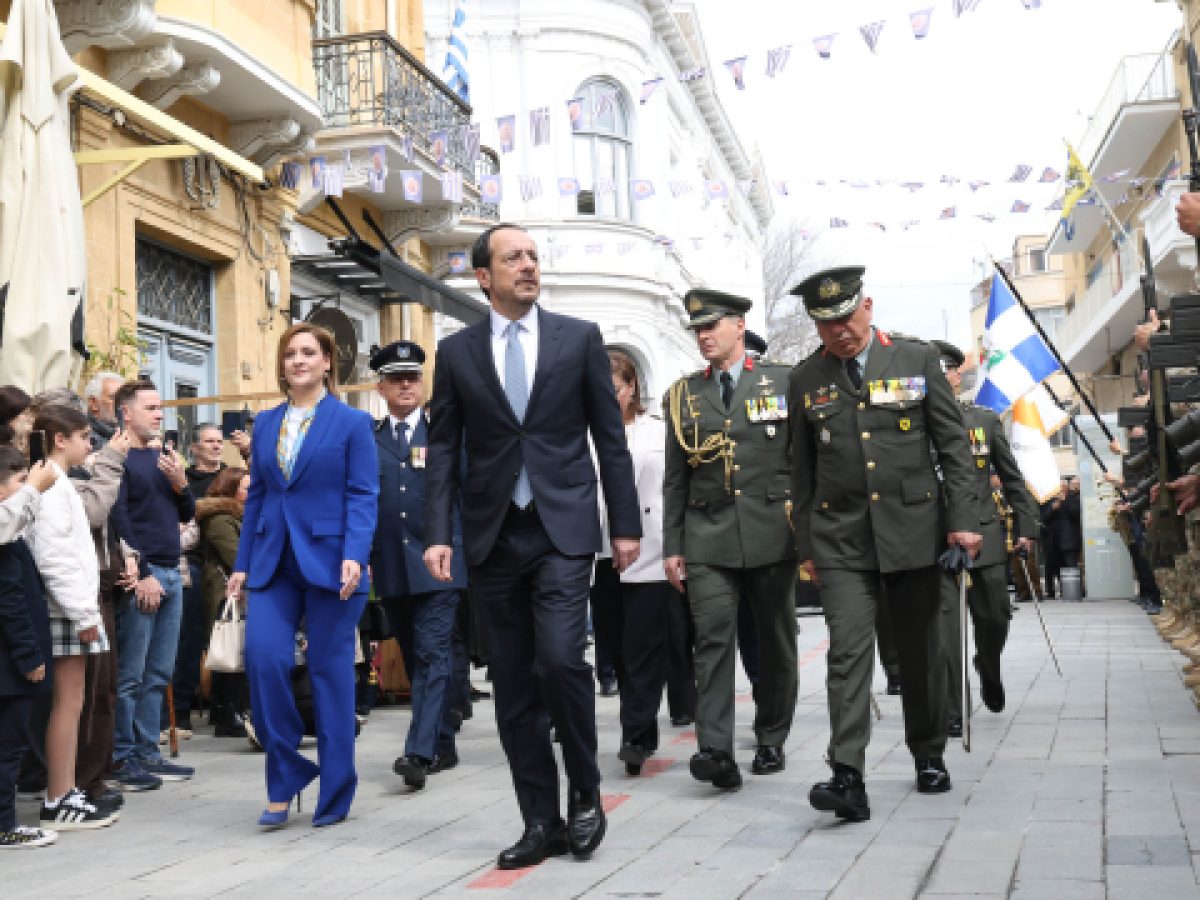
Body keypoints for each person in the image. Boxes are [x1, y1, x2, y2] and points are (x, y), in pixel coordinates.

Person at [424, 223, 640, 870]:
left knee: (560, 660)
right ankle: (540, 820)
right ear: (483, 276)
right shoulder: (456, 353)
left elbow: (610, 439)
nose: (528, 265)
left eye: (533, 256)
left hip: (561, 529)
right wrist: (438, 533)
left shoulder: (579, 339)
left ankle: (585, 791)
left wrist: (624, 524)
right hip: (493, 534)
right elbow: (443, 448)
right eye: (513, 257)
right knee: (513, 682)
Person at [787, 266, 981, 823]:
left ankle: (928, 753)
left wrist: (963, 520)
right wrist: (806, 545)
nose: (839, 331)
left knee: (920, 652)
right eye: (826, 324)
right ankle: (847, 774)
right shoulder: (806, 378)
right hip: (841, 539)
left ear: (867, 307)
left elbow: (953, 447)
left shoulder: (916, 359)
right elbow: (800, 470)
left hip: (913, 533)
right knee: (847, 653)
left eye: (846, 318)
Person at [227, 322, 379, 829]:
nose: (298, 360)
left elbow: (363, 494)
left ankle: (335, 790)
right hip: (273, 560)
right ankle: (286, 773)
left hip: (334, 561)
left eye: (309, 352)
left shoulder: (352, 423)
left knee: (329, 674)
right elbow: (258, 497)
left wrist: (355, 552)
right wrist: (242, 563)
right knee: (263, 659)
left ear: (327, 362)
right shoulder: (266, 423)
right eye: (290, 353)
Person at [662, 288, 798, 790]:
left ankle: (771, 736)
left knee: (776, 641)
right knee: (712, 641)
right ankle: (715, 749)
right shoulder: (682, 395)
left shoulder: (783, 382)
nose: (703, 336)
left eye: (712, 326)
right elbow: (675, 478)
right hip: (708, 536)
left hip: (772, 532)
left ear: (739, 326)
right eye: (697, 329)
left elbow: (805, 461)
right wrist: (673, 546)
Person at [368, 340, 466, 790]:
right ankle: (443, 740)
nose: (406, 385)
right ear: (381, 387)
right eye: (396, 379)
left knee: (432, 653)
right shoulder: (369, 439)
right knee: (414, 655)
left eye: (412, 378)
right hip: (390, 564)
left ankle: (418, 752)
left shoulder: (445, 434)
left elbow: (466, 497)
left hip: (439, 563)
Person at [932, 341, 1039, 739]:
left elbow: (1012, 478)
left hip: (984, 534)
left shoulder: (983, 421)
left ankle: (988, 664)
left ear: (957, 376)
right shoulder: (913, 424)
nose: (941, 378)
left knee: (995, 617)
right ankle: (953, 708)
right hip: (936, 536)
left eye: (946, 371)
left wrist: (1026, 527)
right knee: (946, 631)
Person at [24, 405, 118, 830]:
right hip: (64, 606)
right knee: (68, 703)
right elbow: (53, 556)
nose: (90, 443)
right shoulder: (50, 484)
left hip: (69, 604)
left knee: (70, 702)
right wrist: (83, 612)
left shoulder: (57, 481)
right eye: (83, 436)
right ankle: (59, 795)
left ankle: (63, 790)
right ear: (59, 439)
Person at [109, 380, 197, 790]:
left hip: (172, 570)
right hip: (142, 574)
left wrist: (181, 482)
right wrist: (141, 572)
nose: (159, 414)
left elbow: (187, 512)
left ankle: (147, 752)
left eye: (160, 408)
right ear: (126, 413)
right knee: (131, 673)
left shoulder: (164, 456)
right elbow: (119, 518)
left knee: (159, 672)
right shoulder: (118, 457)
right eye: (151, 408)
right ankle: (122, 756)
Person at [594, 350, 675, 776]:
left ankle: (636, 734)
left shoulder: (657, 431)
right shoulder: (582, 434)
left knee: (643, 645)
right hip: (602, 553)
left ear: (632, 388)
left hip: (650, 550)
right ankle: (640, 726)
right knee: (616, 647)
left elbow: (671, 490)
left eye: (617, 389)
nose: (610, 398)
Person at [0, 445, 57, 848]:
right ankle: (5, 824)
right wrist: (29, 656)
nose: (30, 487)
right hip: (10, 666)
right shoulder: (6, 542)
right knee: (8, 748)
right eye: (21, 481)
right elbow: (11, 602)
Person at [166, 424, 227, 736]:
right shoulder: (182, 478)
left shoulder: (231, 475)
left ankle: (222, 706)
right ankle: (182, 709)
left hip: (223, 566)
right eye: (209, 441)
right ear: (194, 448)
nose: (216, 446)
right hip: (189, 563)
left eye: (219, 441)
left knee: (224, 635)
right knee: (189, 639)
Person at [195, 467, 250, 738]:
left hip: (239, 592)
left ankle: (234, 710)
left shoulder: (242, 517)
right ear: (231, 490)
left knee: (238, 650)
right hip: (224, 593)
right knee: (229, 649)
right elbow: (236, 556)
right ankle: (227, 713)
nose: (252, 492)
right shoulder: (219, 519)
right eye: (246, 488)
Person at [83, 372, 123, 451]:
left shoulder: (126, 434)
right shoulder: (83, 439)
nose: (121, 404)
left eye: (123, 398)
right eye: (113, 398)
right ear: (93, 402)